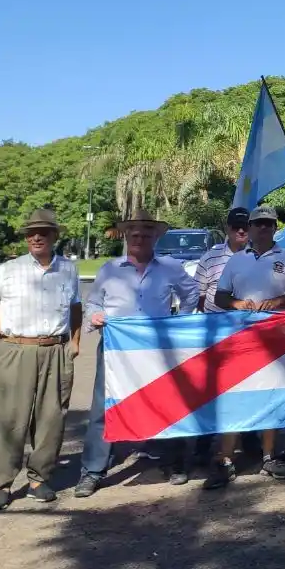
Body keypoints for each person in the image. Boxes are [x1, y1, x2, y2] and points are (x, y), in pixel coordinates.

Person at [0, 209, 82, 510]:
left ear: (55, 235)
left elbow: (76, 306)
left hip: (55, 350)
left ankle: (39, 480)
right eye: (31, 232)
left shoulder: (68, 270)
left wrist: (76, 342)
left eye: (43, 231)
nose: (37, 236)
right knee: (9, 418)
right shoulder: (10, 269)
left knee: (51, 418)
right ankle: (3, 483)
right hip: (15, 350)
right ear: (26, 238)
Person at [78, 210, 200, 498]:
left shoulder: (171, 267)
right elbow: (93, 302)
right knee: (104, 407)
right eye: (133, 231)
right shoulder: (109, 269)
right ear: (126, 235)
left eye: (146, 232)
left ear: (155, 236)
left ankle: (172, 462)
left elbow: (191, 294)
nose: (139, 236)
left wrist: (179, 322)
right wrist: (95, 316)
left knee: (167, 404)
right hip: (116, 349)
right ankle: (93, 471)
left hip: (157, 350)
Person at [204, 205, 285, 489]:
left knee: (270, 395)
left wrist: (277, 303)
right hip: (240, 337)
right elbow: (221, 295)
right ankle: (226, 459)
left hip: (276, 337)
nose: (263, 228)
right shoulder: (236, 261)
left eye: (268, 224)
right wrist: (237, 303)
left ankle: (269, 456)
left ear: (275, 228)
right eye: (258, 224)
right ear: (249, 228)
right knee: (234, 394)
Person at [195, 207, 250, 313]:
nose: (241, 231)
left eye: (245, 227)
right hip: (216, 324)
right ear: (227, 229)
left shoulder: (259, 256)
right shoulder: (209, 258)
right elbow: (199, 296)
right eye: (236, 227)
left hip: (248, 323)